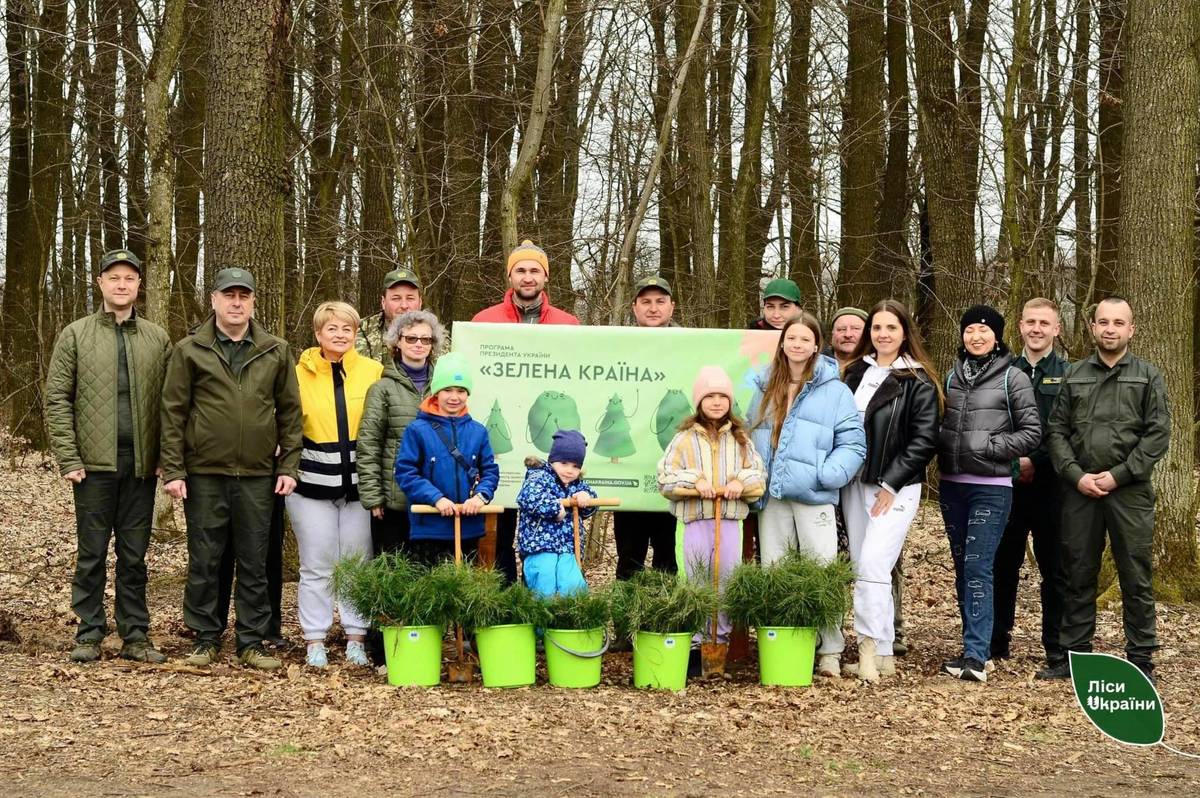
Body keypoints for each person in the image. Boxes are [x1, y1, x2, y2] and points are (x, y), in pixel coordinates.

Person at [161, 267, 303, 671]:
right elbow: (172, 412)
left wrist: (288, 465)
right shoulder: (189, 350)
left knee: (255, 561)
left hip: (259, 475)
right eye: (229, 295)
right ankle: (205, 638)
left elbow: (291, 413)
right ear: (214, 300)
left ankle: (251, 641)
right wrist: (174, 470)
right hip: (205, 474)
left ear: (254, 301)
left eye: (244, 295)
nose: (236, 302)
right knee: (205, 559)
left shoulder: (275, 350)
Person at [45, 249, 172, 664]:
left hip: (140, 465)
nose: (122, 284)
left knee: (134, 555)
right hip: (92, 467)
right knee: (91, 552)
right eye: (113, 277)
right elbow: (57, 399)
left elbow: (172, 404)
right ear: (100, 283)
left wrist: (164, 456)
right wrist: (69, 457)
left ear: (138, 286)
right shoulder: (76, 334)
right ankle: (90, 631)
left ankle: (135, 634)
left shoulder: (156, 338)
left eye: (129, 278)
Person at [1039, 297, 1170, 682]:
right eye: (1103, 322)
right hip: (1080, 490)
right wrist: (1075, 474)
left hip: (1129, 491)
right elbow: (1057, 430)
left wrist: (1120, 474)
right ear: (1093, 327)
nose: (1110, 329)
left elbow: (1158, 433)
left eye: (1118, 322)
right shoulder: (1075, 374)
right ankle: (1073, 656)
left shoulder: (1148, 375)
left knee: (1135, 573)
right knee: (1077, 571)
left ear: (1131, 329)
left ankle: (1141, 657)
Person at [748, 314, 866, 677]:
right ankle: (786, 645)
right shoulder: (764, 386)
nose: (797, 345)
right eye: (791, 338)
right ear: (782, 343)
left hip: (813, 496)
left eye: (805, 339)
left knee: (820, 571)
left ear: (817, 345)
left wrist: (825, 476)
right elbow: (750, 435)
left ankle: (829, 648)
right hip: (773, 496)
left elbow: (853, 444)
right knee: (776, 571)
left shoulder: (835, 389)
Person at [937, 305, 1041, 683]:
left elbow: (1032, 432)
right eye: (969, 330)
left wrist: (990, 447)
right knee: (963, 569)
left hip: (992, 487)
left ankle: (978, 656)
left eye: (984, 331)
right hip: (952, 487)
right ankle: (971, 646)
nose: (975, 336)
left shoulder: (1013, 378)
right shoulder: (951, 376)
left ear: (996, 336)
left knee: (980, 567)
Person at [839, 301, 940, 681]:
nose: (883, 334)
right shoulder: (854, 373)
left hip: (894, 487)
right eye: (877, 327)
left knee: (874, 566)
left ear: (904, 333)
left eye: (891, 328)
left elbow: (923, 439)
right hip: (854, 482)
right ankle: (882, 652)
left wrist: (892, 482)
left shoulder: (918, 380)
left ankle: (867, 647)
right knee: (862, 567)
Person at [472, 240, 579, 583]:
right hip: (501, 446)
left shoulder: (569, 324)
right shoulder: (484, 322)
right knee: (498, 535)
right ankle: (505, 612)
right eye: (521, 270)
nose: (528, 277)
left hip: (550, 449)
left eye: (535, 270)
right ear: (510, 276)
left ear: (545, 278)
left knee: (547, 538)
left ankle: (541, 606)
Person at [287, 302, 383, 668]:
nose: (340, 334)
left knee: (357, 563)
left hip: (361, 486)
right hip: (310, 483)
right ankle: (315, 639)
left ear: (356, 334)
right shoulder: (298, 374)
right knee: (317, 563)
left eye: (347, 328)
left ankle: (356, 636)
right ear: (318, 334)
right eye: (332, 328)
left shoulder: (373, 371)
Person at [659, 366, 766, 655]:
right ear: (699, 402)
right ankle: (696, 646)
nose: (716, 402)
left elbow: (757, 475)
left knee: (726, 580)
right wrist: (696, 480)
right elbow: (665, 477)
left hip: (729, 520)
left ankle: (719, 644)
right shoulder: (684, 439)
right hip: (696, 520)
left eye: (722, 396)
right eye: (710, 396)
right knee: (696, 579)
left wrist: (738, 482)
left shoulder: (741, 439)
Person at [991, 298, 1069, 664]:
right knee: (1003, 563)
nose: (1036, 329)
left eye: (1045, 323)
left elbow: (1066, 428)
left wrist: (1034, 459)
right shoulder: (1003, 370)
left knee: (1055, 566)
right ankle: (996, 641)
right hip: (1008, 482)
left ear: (1057, 329)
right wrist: (1013, 460)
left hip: (1053, 484)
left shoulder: (1070, 374)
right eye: (1030, 322)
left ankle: (1056, 646)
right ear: (1019, 326)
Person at [394, 352, 500, 566]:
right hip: (429, 527)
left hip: (468, 527)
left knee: (464, 593)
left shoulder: (478, 431)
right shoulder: (417, 430)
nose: (454, 397)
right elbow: (406, 472)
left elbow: (490, 471)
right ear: (436, 393)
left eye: (461, 391)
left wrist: (480, 497)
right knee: (430, 593)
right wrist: (436, 498)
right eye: (447, 390)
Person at [358, 310, 443, 556]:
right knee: (393, 576)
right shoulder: (382, 389)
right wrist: (373, 497)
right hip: (393, 501)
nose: (418, 344)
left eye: (425, 339)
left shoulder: (445, 388)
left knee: (431, 573)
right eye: (411, 338)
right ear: (398, 341)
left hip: (436, 499)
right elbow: (369, 444)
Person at [615, 275, 682, 581]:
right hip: (629, 476)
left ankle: (666, 626)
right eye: (646, 302)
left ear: (672, 306)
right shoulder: (619, 345)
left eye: (660, 301)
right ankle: (627, 628)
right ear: (634, 307)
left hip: (679, 476)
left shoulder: (693, 345)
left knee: (669, 559)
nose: (653, 308)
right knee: (629, 557)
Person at [516, 430, 598, 599]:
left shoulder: (577, 484)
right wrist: (555, 508)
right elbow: (529, 497)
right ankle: (542, 625)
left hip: (567, 549)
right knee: (544, 588)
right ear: (552, 460)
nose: (569, 470)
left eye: (576, 466)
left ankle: (569, 623)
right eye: (564, 463)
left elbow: (590, 505)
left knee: (572, 586)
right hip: (539, 548)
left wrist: (585, 498)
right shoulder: (538, 476)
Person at [356, 267, 423, 363]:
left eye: (410, 298)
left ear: (420, 302)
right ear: (383, 302)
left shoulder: (437, 338)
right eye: (396, 298)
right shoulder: (360, 332)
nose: (404, 305)